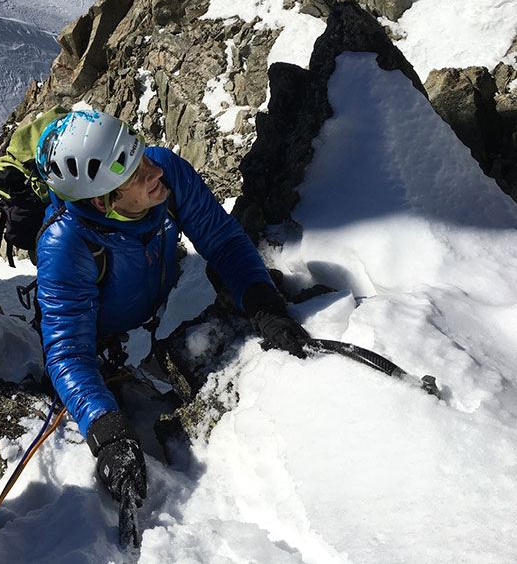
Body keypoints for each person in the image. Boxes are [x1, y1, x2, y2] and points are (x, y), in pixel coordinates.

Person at [34, 109, 310, 507]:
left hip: (148, 303)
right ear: (102, 200)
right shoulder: (66, 245)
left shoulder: (167, 170)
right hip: (97, 331)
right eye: (134, 174)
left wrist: (266, 307)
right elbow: (68, 352)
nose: (153, 171)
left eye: (142, 155)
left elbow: (223, 240)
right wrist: (107, 431)